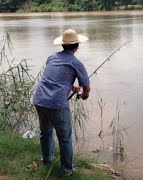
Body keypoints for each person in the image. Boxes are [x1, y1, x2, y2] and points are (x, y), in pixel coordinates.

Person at [33, 29, 90, 175]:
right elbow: (87, 88)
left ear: (62, 45)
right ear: (77, 46)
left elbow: (55, 77)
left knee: (45, 133)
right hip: (57, 104)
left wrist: (70, 87)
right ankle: (67, 171)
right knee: (64, 139)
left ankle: (47, 159)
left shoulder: (52, 57)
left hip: (39, 99)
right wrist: (84, 95)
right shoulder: (77, 63)